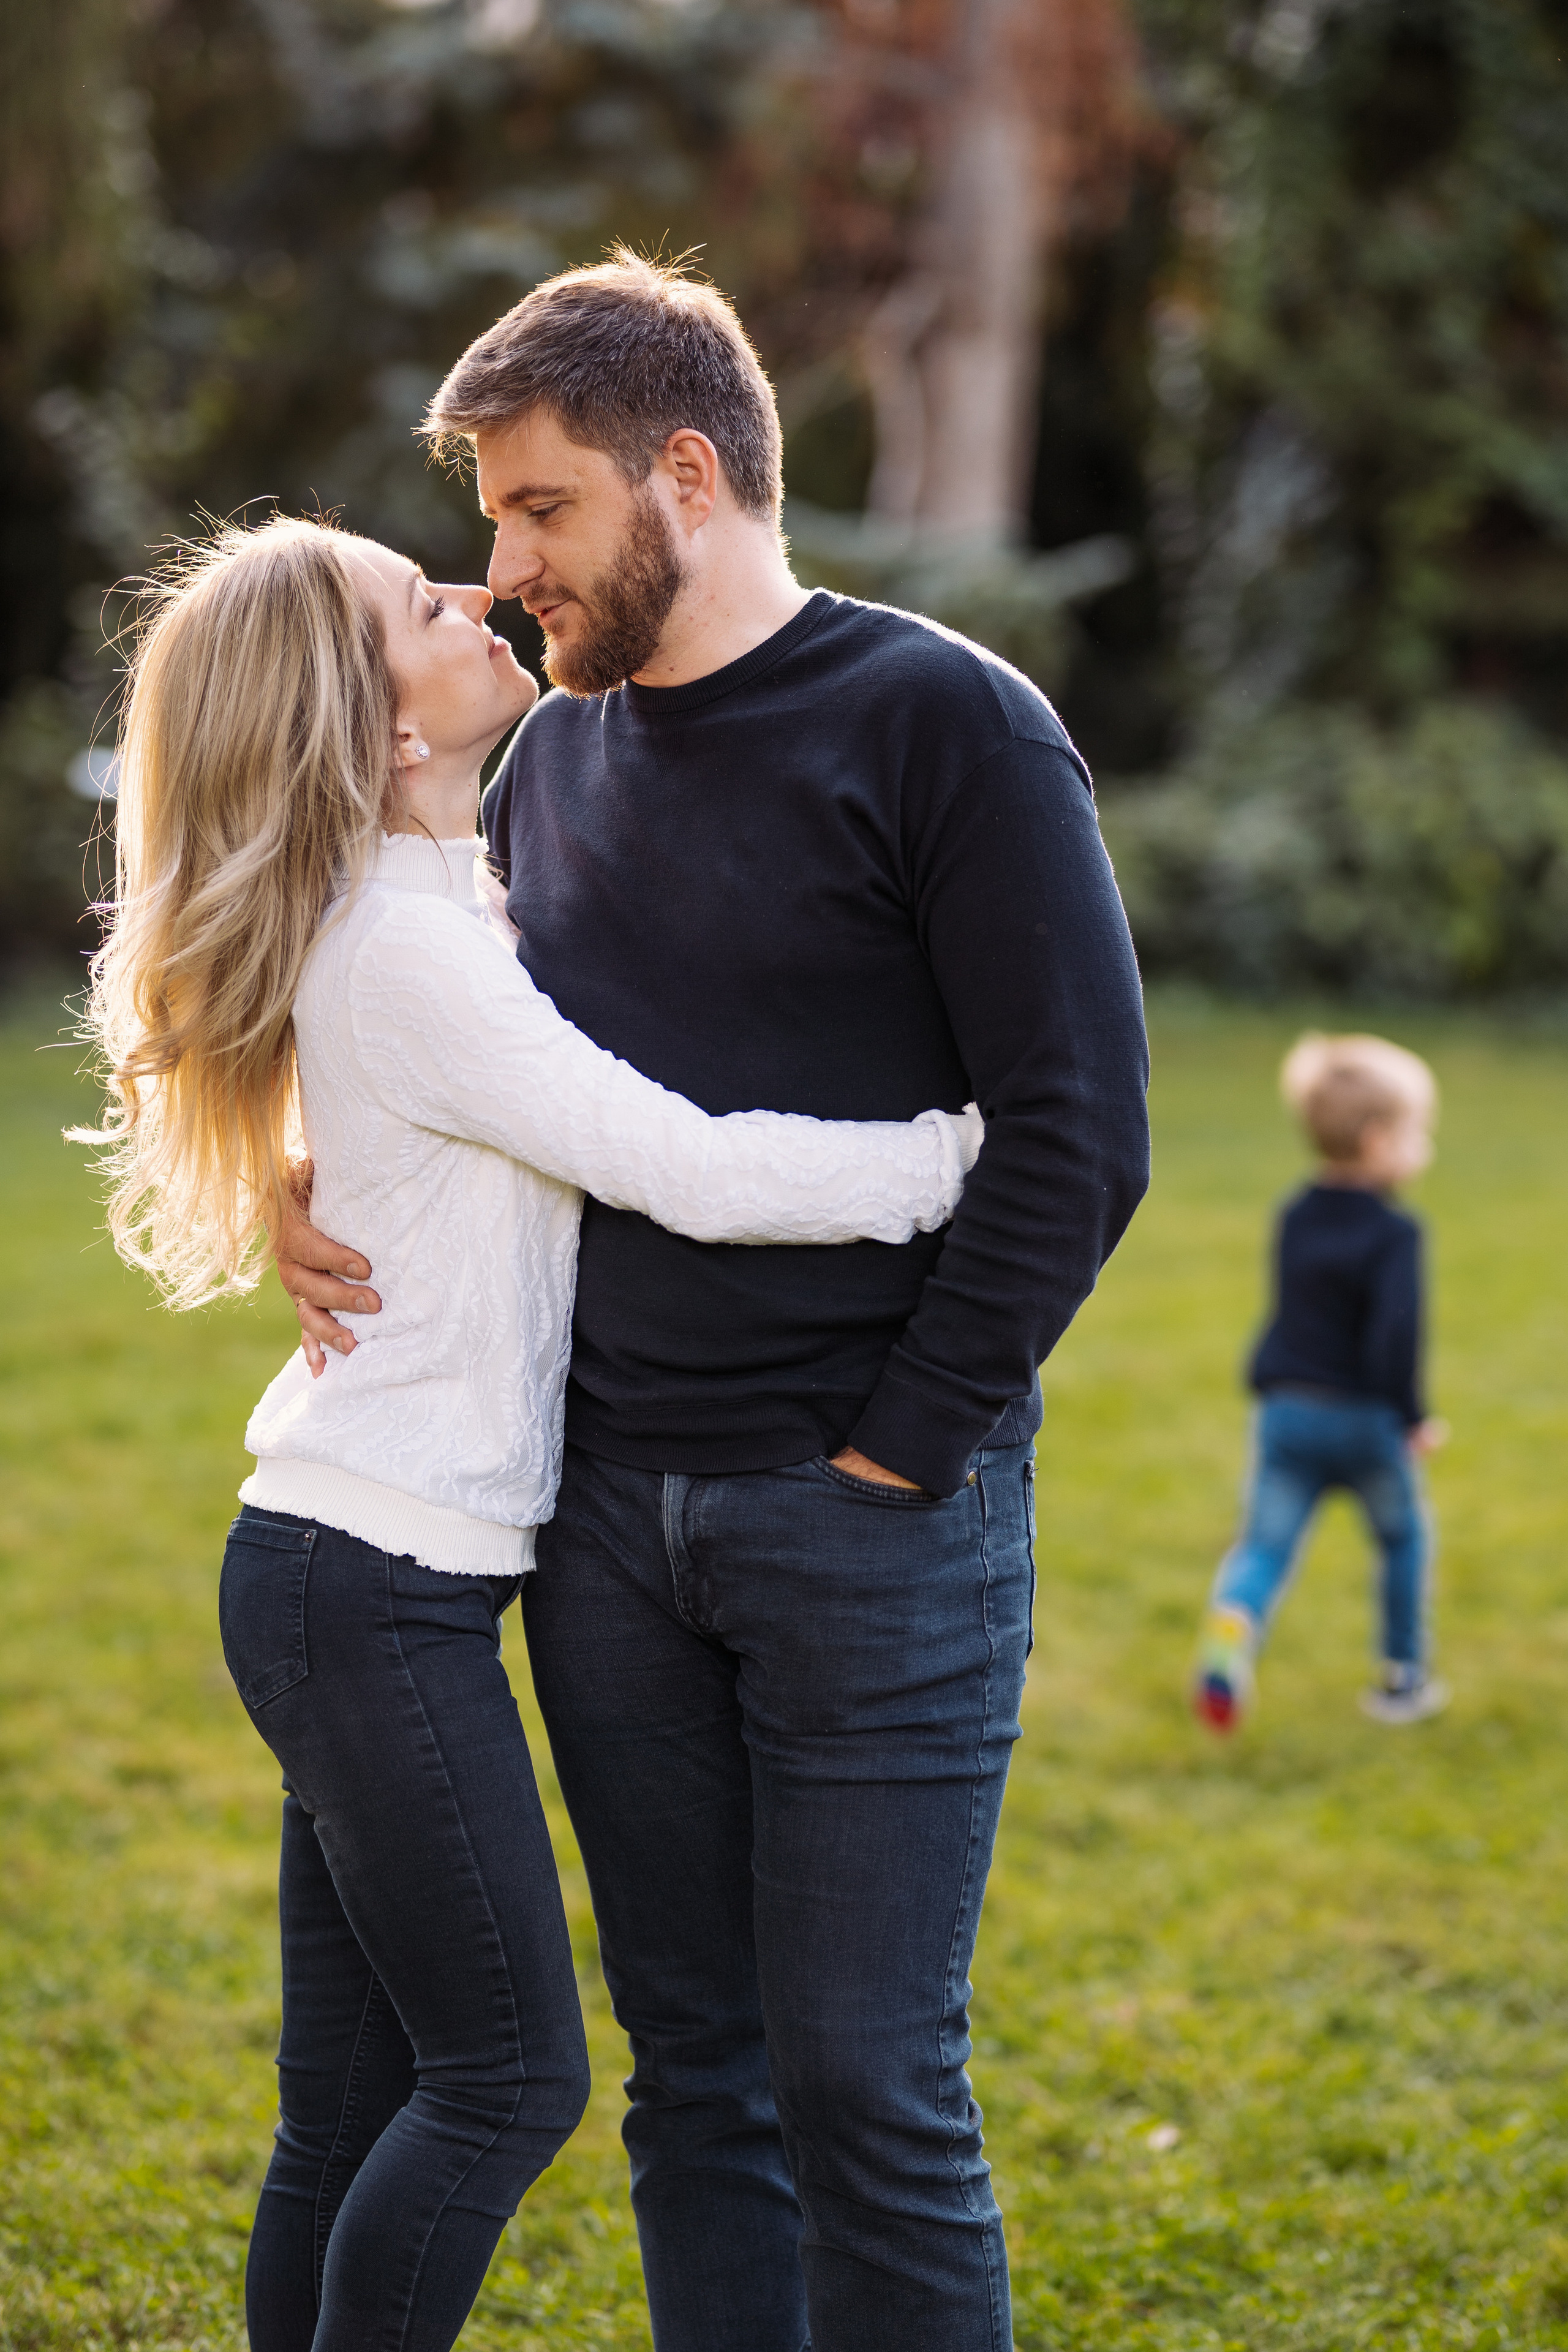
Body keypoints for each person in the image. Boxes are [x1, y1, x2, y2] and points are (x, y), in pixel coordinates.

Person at [280, 249, 1151, 2352]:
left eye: (541, 510)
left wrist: (901, 1446)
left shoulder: (945, 721)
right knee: (701, 2082)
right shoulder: (553, 766)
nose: (502, 571)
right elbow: (470, 1069)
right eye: (490, 524)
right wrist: (303, 1184)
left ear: (687, 472)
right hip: (599, 1531)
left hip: (876, 1528)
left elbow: (1078, 1132)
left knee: (870, 2084)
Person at [70, 511, 988, 2352]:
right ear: (377, 725)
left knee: (348, 2103)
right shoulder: (411, 947)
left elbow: (409, 1102)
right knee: (504, 2080)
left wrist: (298, 1175)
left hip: (339, 1562)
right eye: (426, 601)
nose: (477, 588)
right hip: (376, 1583)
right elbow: (687, 1166)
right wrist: (962, 1151)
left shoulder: (429, 899)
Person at [1193, 1030, 1449, 1735]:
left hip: (1286, 1412)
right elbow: (1393, 1340)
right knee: (1401, 1538)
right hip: (1362, 1418)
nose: (1423, 1144)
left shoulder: (1294, 1212)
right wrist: (1412, 1417)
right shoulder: (1396, 1233)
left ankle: (1232, 1630)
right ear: (1375, 1141)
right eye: (1415, 1131)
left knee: (1264, 1545)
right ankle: (1403, 1678)